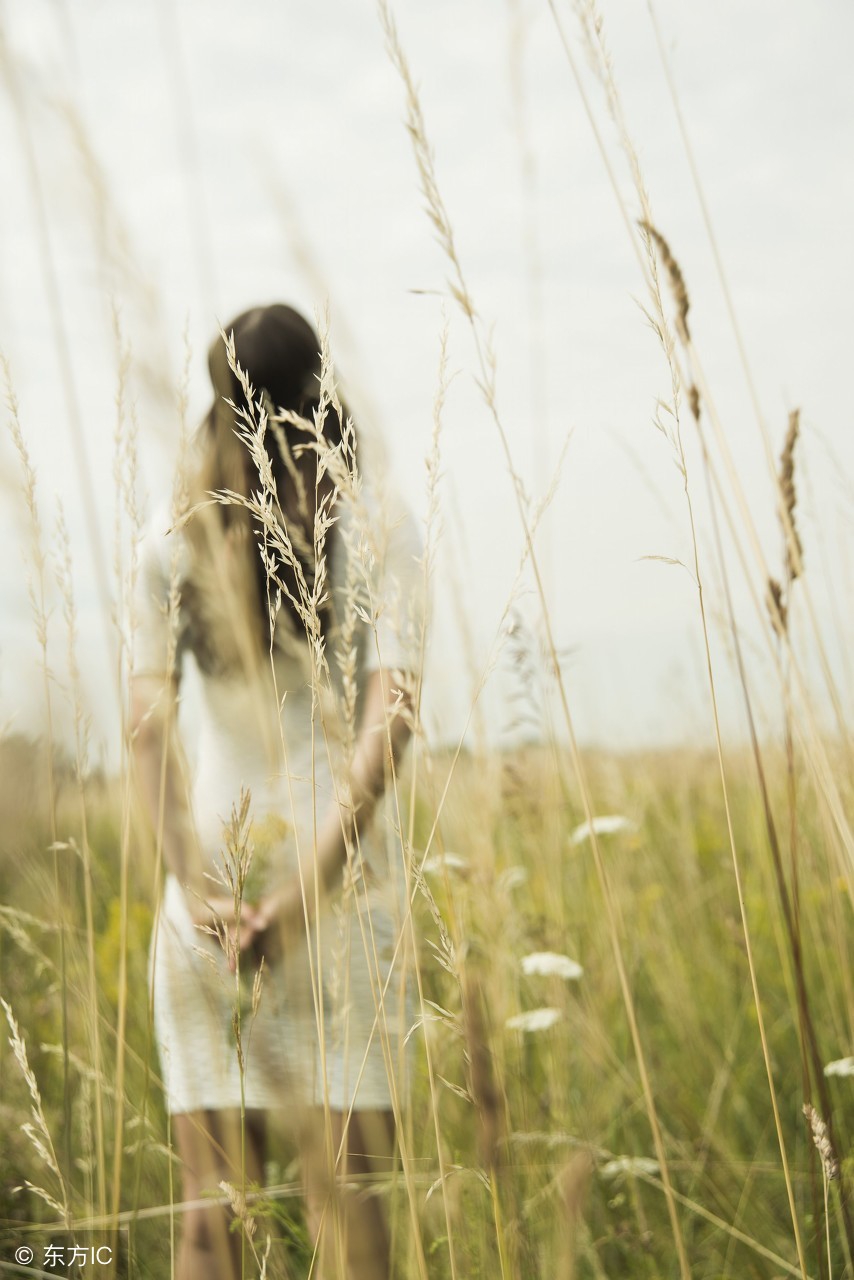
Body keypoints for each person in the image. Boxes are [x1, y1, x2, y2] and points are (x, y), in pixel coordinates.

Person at [131, 304, 422, 1280]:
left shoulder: (169, 543)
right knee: (354, 1229)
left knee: (209, 1226)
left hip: (204, 906)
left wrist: (196, 889)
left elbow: (144, 729)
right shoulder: (374, 528)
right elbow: (389, 721)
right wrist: (301, 893)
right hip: (338, 912)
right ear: (322, 395)